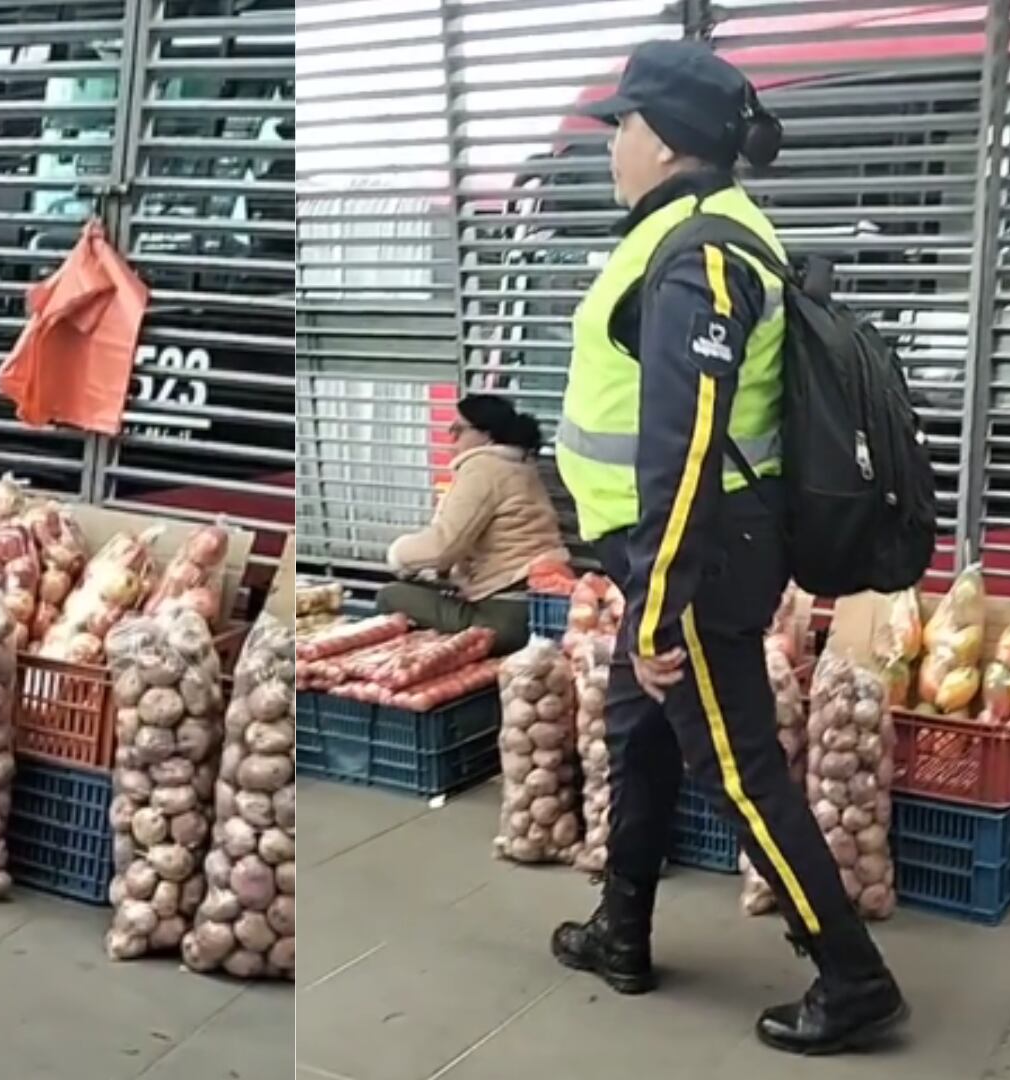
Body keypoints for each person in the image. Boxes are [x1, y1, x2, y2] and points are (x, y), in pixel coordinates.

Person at [547, 40, 907, 1055]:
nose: (612, 143)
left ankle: (853, 978)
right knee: (640, 730)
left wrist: (661, 603)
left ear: (663, 139)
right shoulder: (694, 233)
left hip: (694, 560)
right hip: (673, 556)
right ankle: (622, 928)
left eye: (620, 125)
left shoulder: (700, 251)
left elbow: (688, 443)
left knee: (742, 768)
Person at [378, 395, 569, 656]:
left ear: (487, 435)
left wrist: (398, 554)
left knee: (391, 595)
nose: (451, 439)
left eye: (458, 430)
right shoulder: (520, 465)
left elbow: (443, 546)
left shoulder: (483, 468)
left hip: (503, 616)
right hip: (541, 608)